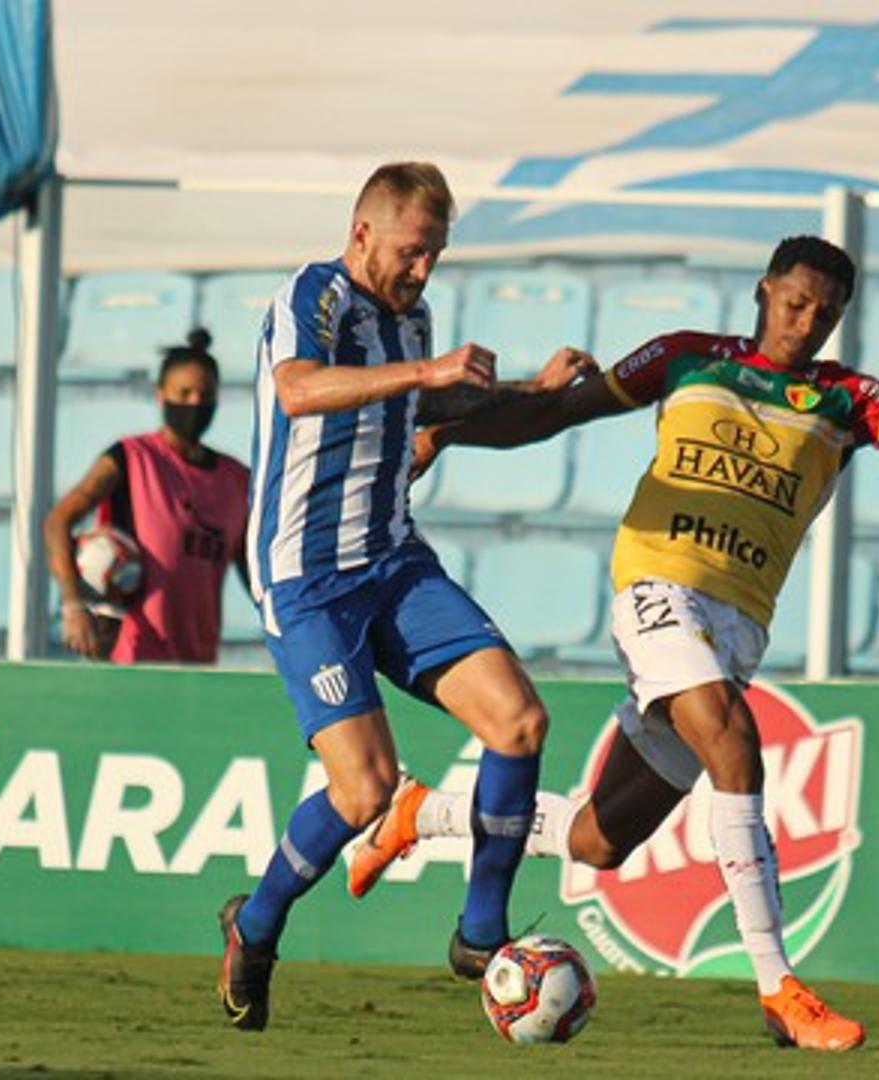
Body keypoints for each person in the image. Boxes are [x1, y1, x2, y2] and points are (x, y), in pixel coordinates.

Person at [348, 238, 879, 1050]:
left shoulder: (844, 400)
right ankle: (778, 986)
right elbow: (560, 412)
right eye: (797, 303)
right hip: (658, 589)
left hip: (735, 627)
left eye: (827, 314)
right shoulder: (688, 359)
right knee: (735, 742)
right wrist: (447, 429)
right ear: (764, 291)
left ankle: (425, 812)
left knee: (602, 838)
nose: (807, 325)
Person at [215, 161, 596, 1033]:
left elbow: (429, 411)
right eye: (413, 252)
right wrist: (427, 375)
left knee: (519, 722)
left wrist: (526, 393)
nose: (424, 272)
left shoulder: (409, 317)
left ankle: (480, 933)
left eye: (437, 255)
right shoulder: (314, 296)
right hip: (307, 580)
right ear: (363, 235)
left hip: (391, 559)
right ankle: (258, 924)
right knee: (365, 791)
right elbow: (299, 389)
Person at [45, 329, 250, 665]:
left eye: (205, 394)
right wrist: (72, 605)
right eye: (183, 393)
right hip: (131, 655)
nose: (195, 403)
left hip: (198, 662)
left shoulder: (236, 479)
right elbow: (58, 521)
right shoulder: (130, 458)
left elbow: (251, 567)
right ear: (160, 395)